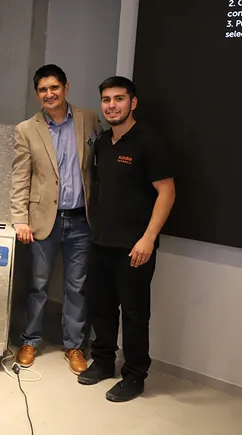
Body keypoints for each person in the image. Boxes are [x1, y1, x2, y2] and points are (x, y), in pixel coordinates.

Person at [78, 76, 175, 402]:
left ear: (133, 103)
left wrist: (148, 238)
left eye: (119, 99)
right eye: (106, 100)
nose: (111, 106)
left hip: (135, 247)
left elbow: (167, 192)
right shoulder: (103, 142)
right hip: (101, 242)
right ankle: (104, 361)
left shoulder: (148, 142)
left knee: (134, 315)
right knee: (102, 308)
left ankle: (134, 376)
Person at [10, 64, 101, 375]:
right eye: (43, 90)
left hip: (81, 220)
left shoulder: (89, 119)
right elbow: (20, 177)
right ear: (37, 94)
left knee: (77, 287)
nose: (49, 94)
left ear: (66, 88)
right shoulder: (26, 129)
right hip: (42, 220)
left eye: (54, 88)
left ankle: (73, 345)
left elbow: (98, 167)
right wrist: (20, 219)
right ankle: (30, 340)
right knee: (38, 285)